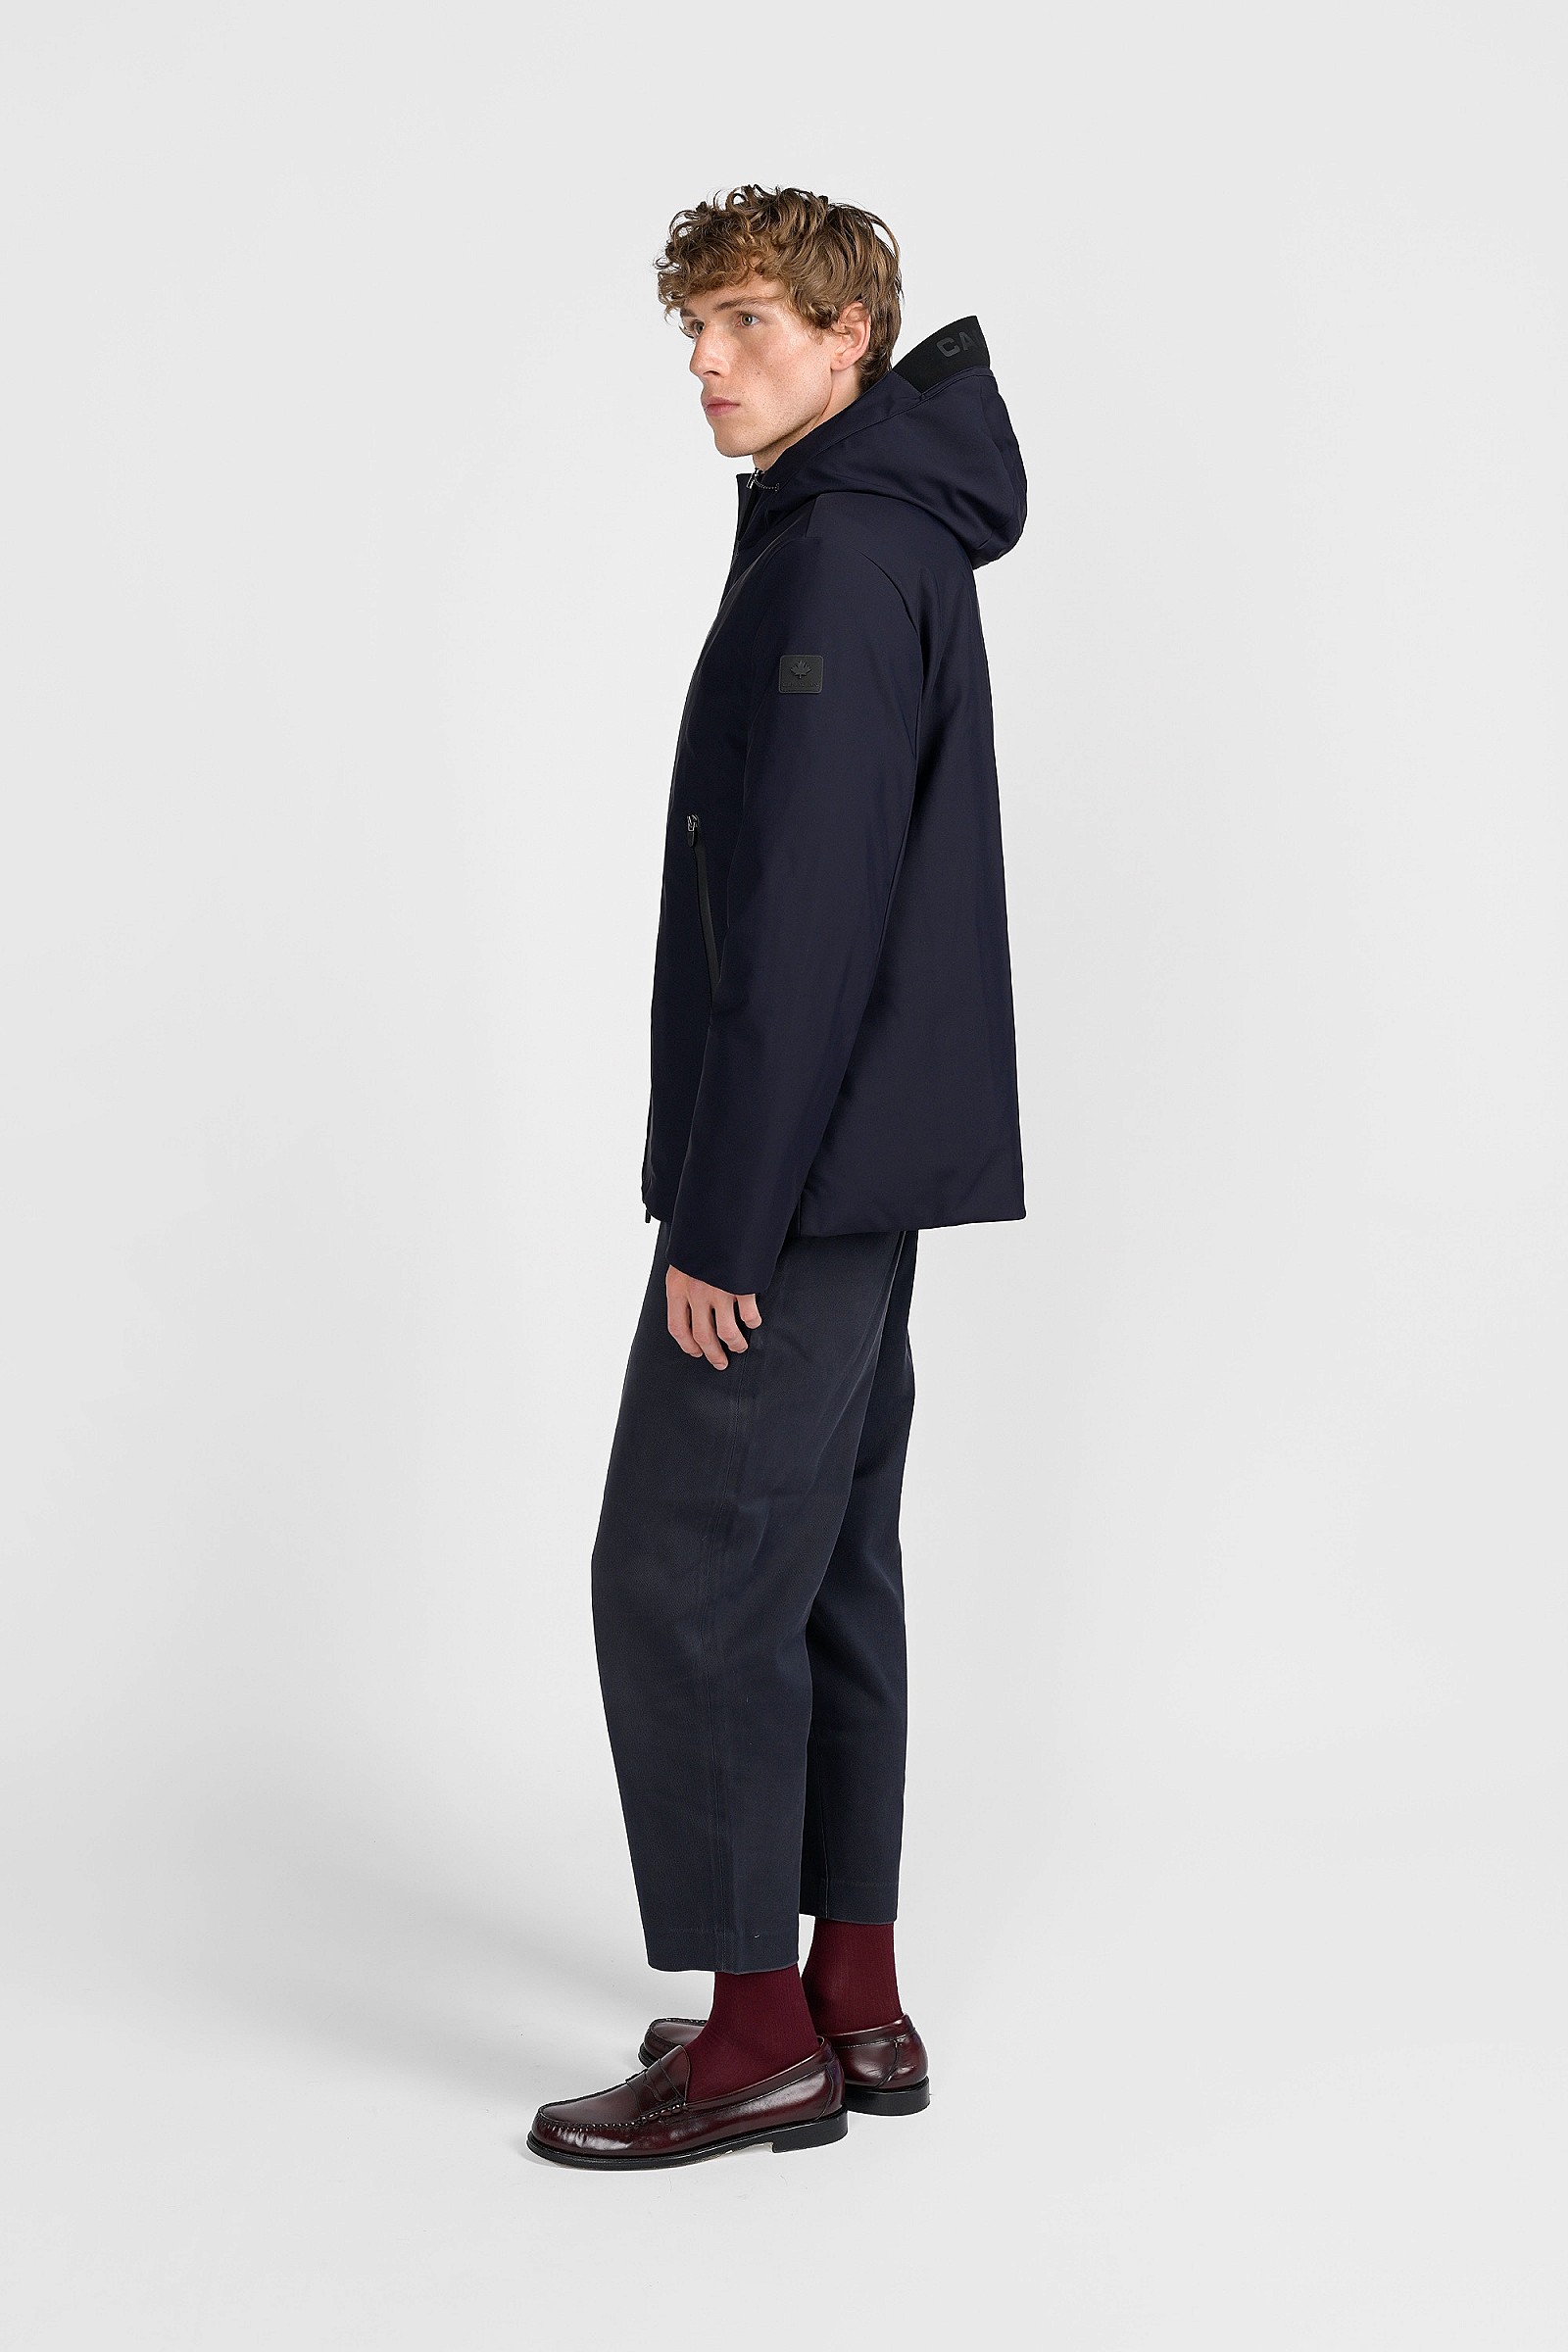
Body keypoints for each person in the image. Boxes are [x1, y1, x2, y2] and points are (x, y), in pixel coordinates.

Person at [528, 186, 1027, 2170]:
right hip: (865, 1168)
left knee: (682, 1574)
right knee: (819, 1564)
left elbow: (806, 925)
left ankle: (751, 2041)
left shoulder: (833, 559)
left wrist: (722, 1222)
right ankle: (853, 1997)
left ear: (848, 337)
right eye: (694, 328)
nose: (707, 362)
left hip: (797, 1186)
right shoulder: (877, 531)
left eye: (746, 321)